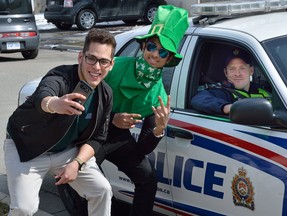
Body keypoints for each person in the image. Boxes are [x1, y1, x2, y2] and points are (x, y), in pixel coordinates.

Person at [65, 5, 189, 216]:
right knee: (86, 182)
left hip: (116, 138)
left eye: (162, 51)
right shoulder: (113, 67)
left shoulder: (157, 93)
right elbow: (81, 103)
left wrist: (159, 129)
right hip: (88, 133)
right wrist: (113, 117)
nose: (154, 54)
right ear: (143, 47)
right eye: (151, 46)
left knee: (147, 179)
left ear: (168, 59)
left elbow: (141, 149)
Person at [3, 28, 116, 216]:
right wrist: (55, 104)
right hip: (26, 149)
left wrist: (77, 163)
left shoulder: (105, 94)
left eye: (103, 61)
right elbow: (44, 95)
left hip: (66, 153)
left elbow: (97, 137)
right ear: (80, 57)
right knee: (24, 208)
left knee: (102, 190)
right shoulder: (61, 76)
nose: (97, 67)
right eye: (91, 58)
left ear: (111, 65)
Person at [191, 49, 271, 115]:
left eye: (242, 68)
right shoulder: (223, 93)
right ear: (226, 73)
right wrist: (227, 107)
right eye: (232, 69)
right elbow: (199, 99)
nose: (237, 74)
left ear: (251, 71)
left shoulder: (265, 91)